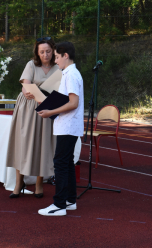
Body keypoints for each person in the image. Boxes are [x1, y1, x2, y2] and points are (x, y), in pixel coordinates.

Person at [6, 37, 59, 198]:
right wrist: (26, 90)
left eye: (48, 51)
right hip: (28, 109)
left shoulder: (58, 68)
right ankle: (18, 183)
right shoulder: (31, 65)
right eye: (42, 51)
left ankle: (39, 183)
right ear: (37, 52)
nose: (45, 54)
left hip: (47, 109)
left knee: (42, 145)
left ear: (53, 51)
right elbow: (26, 85)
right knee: (22, 144)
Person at [37, 41, 84, 216]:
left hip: (68, 126)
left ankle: (59, 205)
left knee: (61, 164)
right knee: (67, 163)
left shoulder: (70, 74)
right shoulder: (69, 73)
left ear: (66, 55)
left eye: (57, 56)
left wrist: (51, 111)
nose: (55, 60)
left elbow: (73, 103)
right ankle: (70, 200)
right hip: (68, 125)